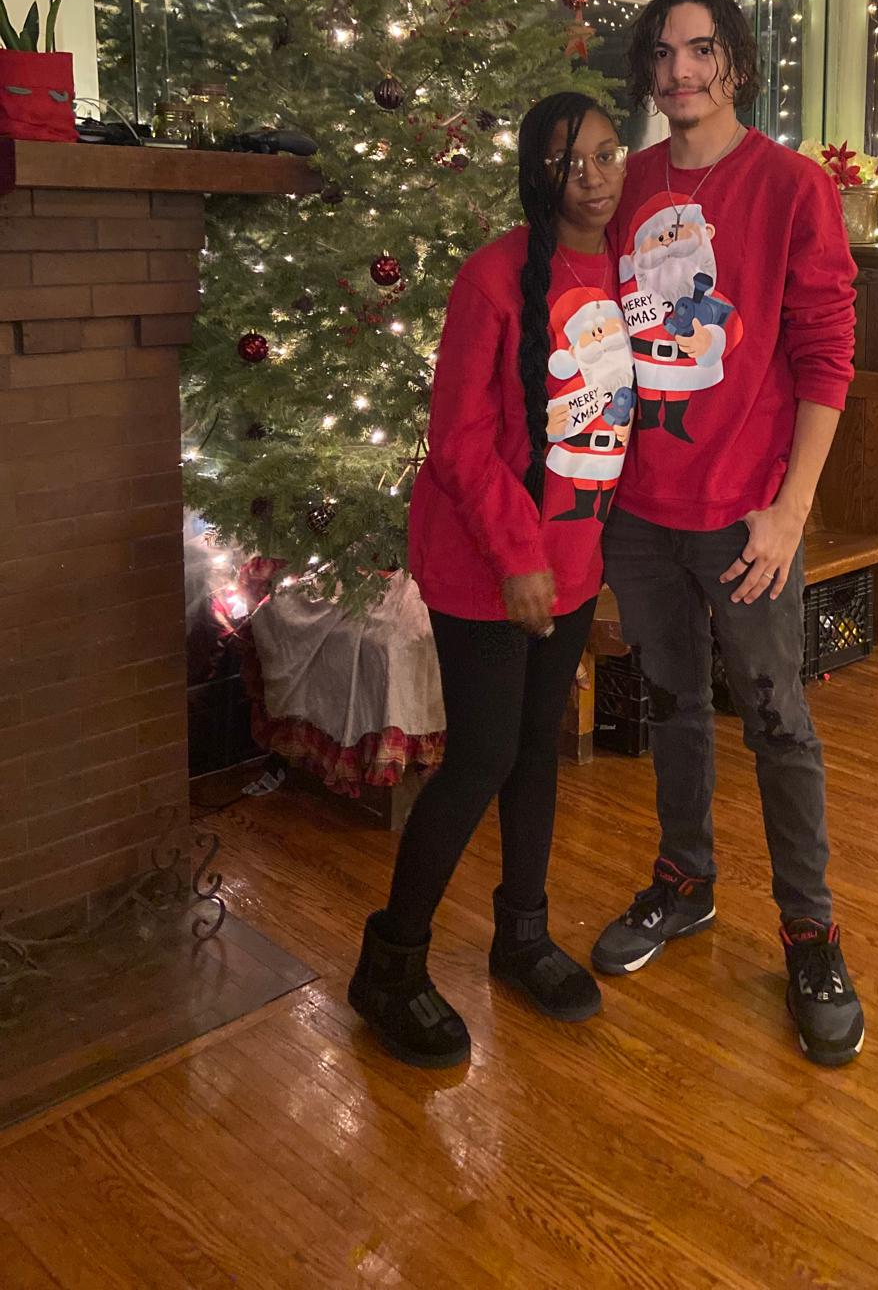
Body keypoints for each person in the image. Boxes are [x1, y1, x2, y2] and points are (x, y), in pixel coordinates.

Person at [590, 0, 865, 1067]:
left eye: (699, 50)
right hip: (638, 512)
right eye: (662, 54)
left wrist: (792, 512)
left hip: (747, 518)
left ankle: (810, 931)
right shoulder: (627, 184)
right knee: (670, 707)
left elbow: (826, 359)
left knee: (777, 719)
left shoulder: (793, 186)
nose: (679, 72)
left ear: (735, 63)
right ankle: (685, 879)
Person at [349, 92, 634, 1067]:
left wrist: (596, 558)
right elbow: (459, 441)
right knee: (482, 757)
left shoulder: (625, 273)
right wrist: (519, 558)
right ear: (534, 174)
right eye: (568, 161)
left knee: (538, 749)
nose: (592, 176)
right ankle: (390, 964)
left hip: (577, 559)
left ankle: (522, 937)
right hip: (488, 565)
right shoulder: (492, 278)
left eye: (607, 153)